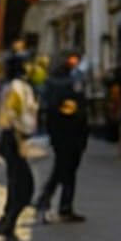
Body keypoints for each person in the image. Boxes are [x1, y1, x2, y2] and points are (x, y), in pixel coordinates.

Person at [0, 52, 39, 241]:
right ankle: (9, 224)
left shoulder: (17, 87)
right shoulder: (16, 88)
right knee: (23, 184)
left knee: (16, 182)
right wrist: (20, 135)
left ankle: (7, 221)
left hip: (15, 138)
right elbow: (9, 116)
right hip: (14, 138)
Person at [35, 52, 89, 223]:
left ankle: (52, 201)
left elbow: (43, 108)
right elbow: (79, 108)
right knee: (67, 169)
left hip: (57, 131)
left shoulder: (49, 84)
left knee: (62, 167)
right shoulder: (74, 83)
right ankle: (53, 202)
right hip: (73, 131)